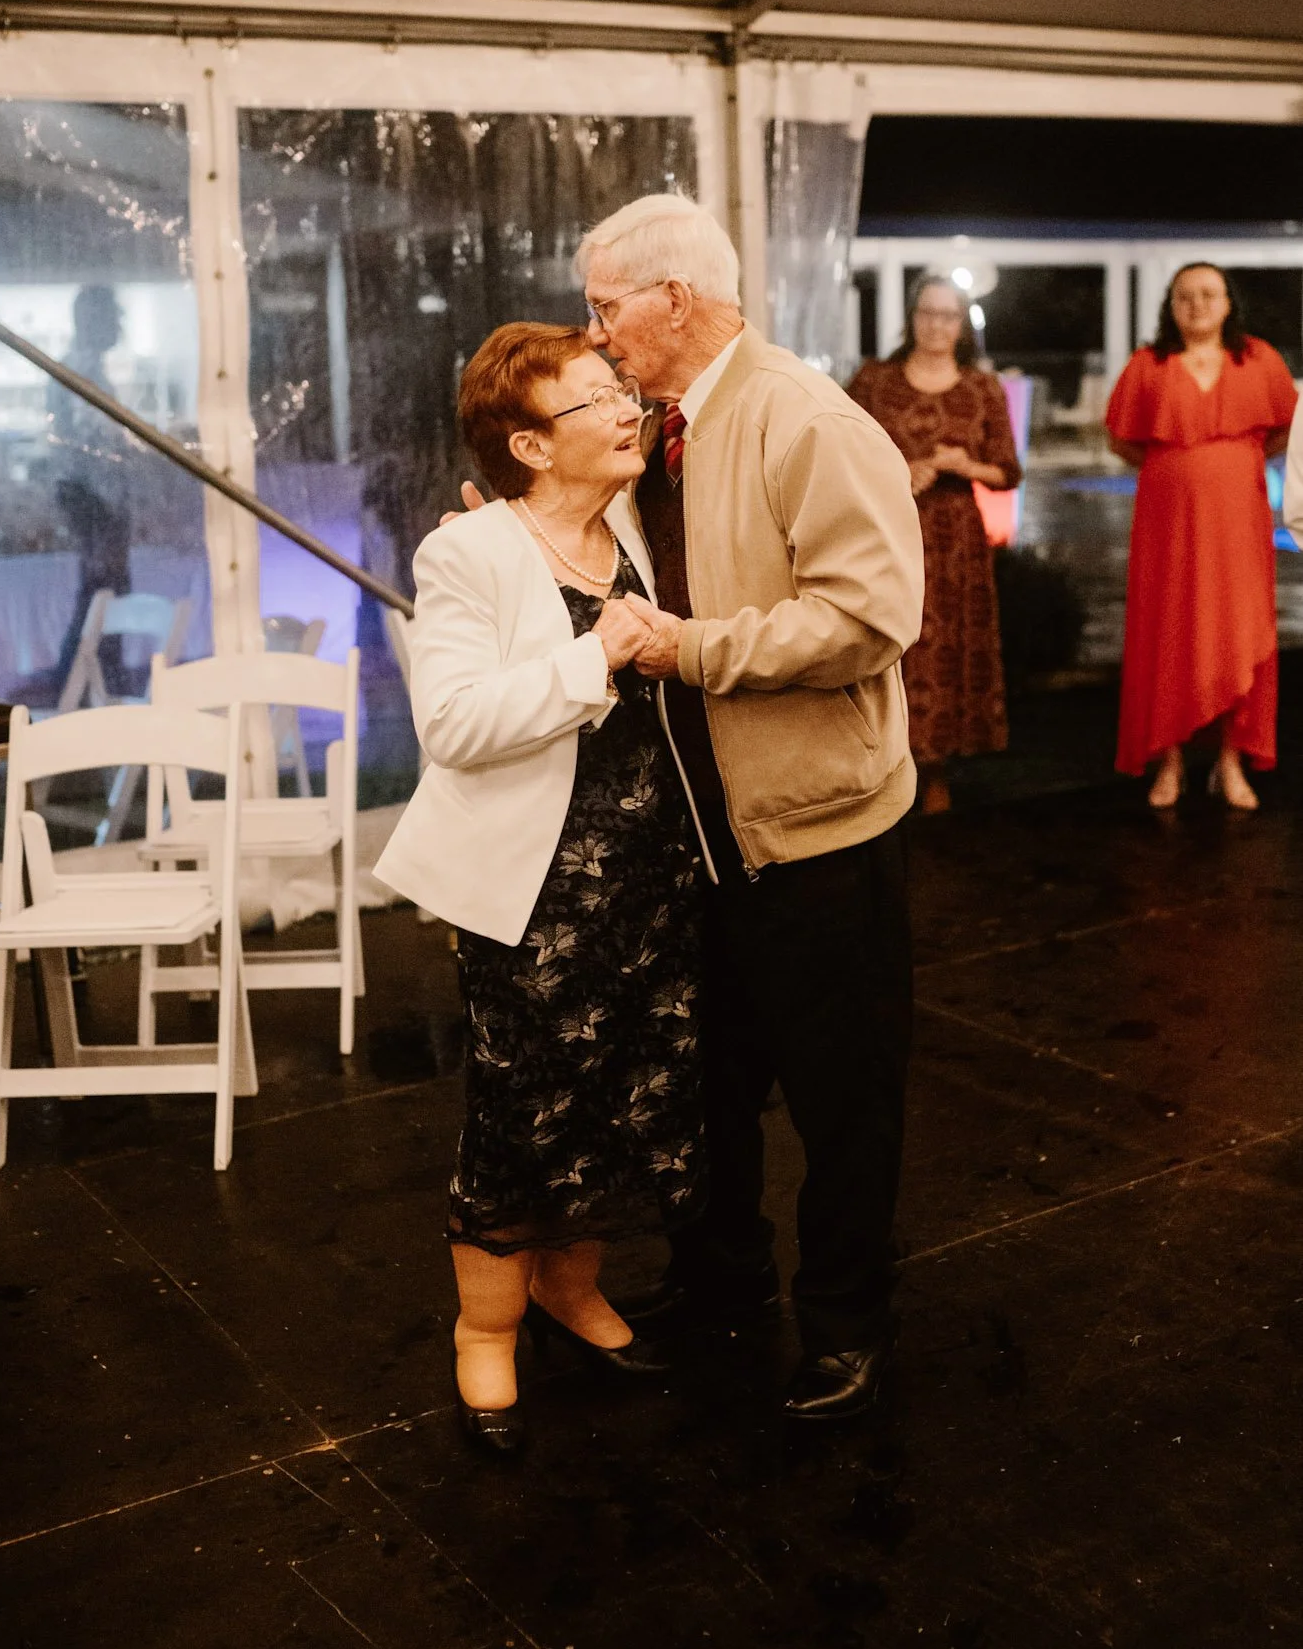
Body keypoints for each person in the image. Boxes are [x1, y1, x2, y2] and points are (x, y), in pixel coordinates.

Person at [574, 192, 924, 1424]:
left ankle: (845, 1323)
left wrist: (697, 651)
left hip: (819, 830)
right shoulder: (660, 429)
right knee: (708, 1086)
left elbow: (872, 616)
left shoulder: (806, 419)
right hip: (705, 832)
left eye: (608, 304)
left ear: (676, 296)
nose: (598, 331)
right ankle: (723, 1280)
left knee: (842, 1101)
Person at [374, 322, 707, 1456]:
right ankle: (486, 1325)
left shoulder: (634, 527)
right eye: (597, 399)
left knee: (624, 1096)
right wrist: (595, 657)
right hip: (535, 896)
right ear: (527, 442)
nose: (628, 409)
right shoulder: (469, 552)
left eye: (624, 390)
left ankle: (571, 1291)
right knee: (522, 1108)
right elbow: (454, 726)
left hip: (653, 877)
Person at [1106, 262, 1296, 810]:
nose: (1197, 305)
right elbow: (1123, 439)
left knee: (1238, 626)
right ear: (1171, 305)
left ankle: (1231, 762)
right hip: (1167, 520)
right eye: (1185, 296)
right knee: (1170, 626)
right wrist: (1180, 465)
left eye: (1209, 294)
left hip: (1240, 517)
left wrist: (1227, 463)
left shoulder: (1258, 358)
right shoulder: (1149, 364)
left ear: (1229, 302)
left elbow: (1284, 427)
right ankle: (1169, 760)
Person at [848, 275, 1023, 814]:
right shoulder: (874, 382)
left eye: (948, 315)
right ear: (911, 316)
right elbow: (841, 451)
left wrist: (960, 464)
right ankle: (877, 768)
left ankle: (936, 772)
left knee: (943, 648)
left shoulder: (980, 387)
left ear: (961, 323)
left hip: (953, 543)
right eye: (928, 313)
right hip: (886, 532)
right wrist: (896, 470)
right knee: (885, 644)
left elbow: (1008, 471)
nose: (936, 325)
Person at [49, 285, 132, 694]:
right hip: (92, 499)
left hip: (94, 499)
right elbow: (89, 448)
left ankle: (86, 690)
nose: (120, 324)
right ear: (91, 319)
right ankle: (82, 692)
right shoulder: (80, 373)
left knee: (101, 600)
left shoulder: (86, 369)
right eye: (113, 315)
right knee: (102, 602)